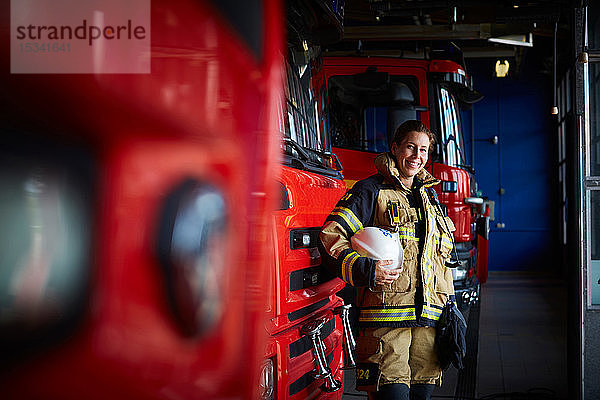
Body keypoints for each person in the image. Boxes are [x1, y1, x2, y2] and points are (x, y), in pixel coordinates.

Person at [318, 120, 456, 400]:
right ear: (395, 148)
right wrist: (365, 269)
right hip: (386, 329)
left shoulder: (430, 197)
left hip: (428, 327)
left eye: (424, 150)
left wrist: (451, 312)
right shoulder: (369, 191)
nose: (417, 156)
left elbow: (439, 259)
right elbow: (330, 235)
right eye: (410, 147)